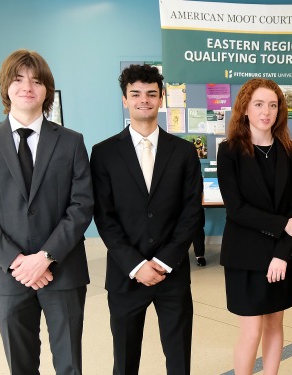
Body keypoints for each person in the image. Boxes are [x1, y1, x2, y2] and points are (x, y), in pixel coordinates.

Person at [0, 49, 94, 375]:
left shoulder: (71, 142)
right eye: (18, 79)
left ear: (47, 89)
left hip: (63, 273)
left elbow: (82, 205)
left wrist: (45, 256)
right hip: (10, 276)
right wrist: (19, 262)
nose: (27, 86)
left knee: (70, 365)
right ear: (7, 87)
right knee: (20, 367)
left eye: (36, 80)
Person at [90, 64, 202, 375]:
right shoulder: (103, 153)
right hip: (126, 276)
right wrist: (137, 265)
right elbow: (104, 216)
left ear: (161, 98)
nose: (144, 100)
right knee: (124, 361)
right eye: (135, 94)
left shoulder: (183, 152)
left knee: (179, 360)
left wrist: (165, 261)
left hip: (173, 274)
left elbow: (192, 212)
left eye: (151, 94)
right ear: (125, 100)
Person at [217, 78, 292, 375]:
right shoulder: (229, 151)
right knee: (251, 330)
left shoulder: (291, 152)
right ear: (244, 109)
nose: (266, 111)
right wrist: (283, 225)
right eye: (258, 104)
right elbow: (236, 208)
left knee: (275, 324)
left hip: (282, 254)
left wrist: (282, 253)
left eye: (272, 104)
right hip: (245, 255)